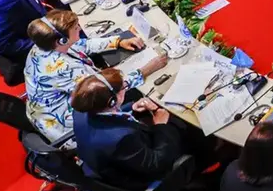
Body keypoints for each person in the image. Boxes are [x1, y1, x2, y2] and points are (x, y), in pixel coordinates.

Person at [24, 10, 167, 145]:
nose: (80, 28)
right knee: (145, 92)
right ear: (61, 40)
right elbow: (103, 90)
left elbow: (82, 45)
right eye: (75, 28)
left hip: (48, 112)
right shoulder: (62, 69)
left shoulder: (44, 45)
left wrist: (117, 41)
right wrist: (145, 71)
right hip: (69, 126)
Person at [71, 68, 184, 191]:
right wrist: (161, 125)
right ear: (112, 101)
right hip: (140, 178)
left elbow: (106, 116)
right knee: (184, 128)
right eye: (124, 87)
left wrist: (132, 109)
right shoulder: (121, 139)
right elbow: (156, 164)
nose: (125, 88)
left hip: (112, 162)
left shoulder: (80, 112)